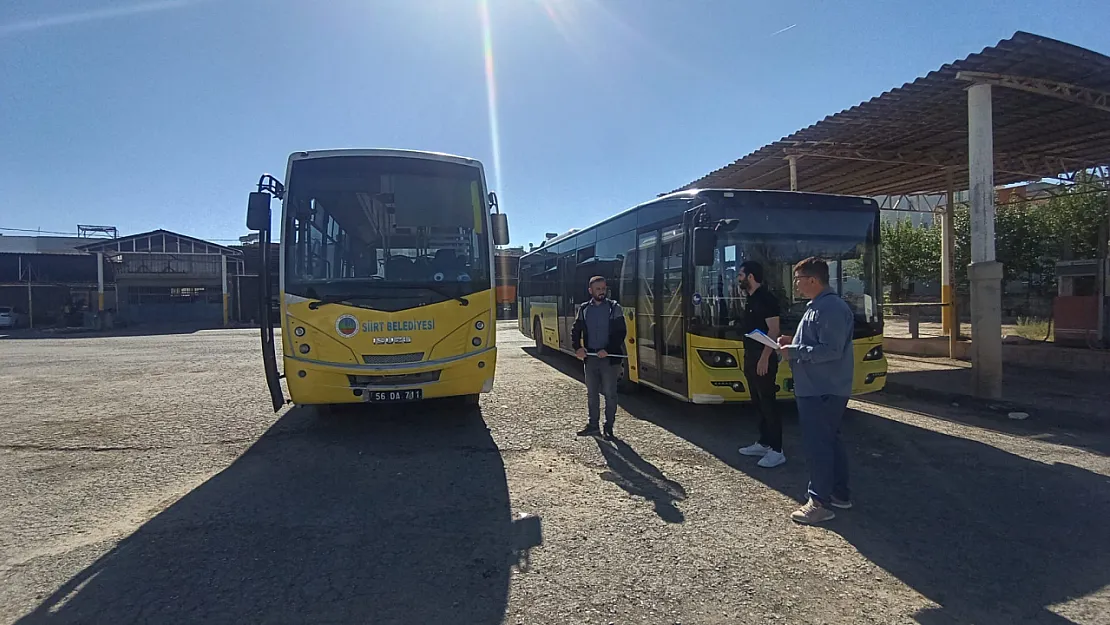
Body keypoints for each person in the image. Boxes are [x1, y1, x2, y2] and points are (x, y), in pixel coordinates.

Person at [776, 257, 856, 525]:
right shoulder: (819, 306)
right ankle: (839, 494)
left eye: (798, 280)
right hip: (819, 387)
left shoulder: (831, 308)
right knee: (830, 440)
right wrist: (792, 342)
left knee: (818, 445)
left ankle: (819, 501)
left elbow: (831, 351)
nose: (796, 286)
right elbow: (817, 342)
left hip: (821, 388)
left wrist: (794, 351)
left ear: (813, 280)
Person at [734, 260, 785, 468]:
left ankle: (777, 450)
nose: (738, 279)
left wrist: (765, 357)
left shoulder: (766, 299)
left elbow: (773, 330)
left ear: (750, 277)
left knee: (768, 402)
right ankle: (764, 442)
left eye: (740, 275)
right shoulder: (750, 298)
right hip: (751, 355)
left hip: (762, 356)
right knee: (757, 401)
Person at [571, 276, 627, 440]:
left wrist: (608, 349)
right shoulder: (584, 309)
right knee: (592, 393)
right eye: (598, 289)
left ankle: (608, 427)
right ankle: (593, 425)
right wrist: (577, 348)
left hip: (609, 359)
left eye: (603, 289)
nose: (602, 292)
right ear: (590, 291)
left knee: (610, 394)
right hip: (591, 358)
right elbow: (575, 330)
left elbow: (621, 332)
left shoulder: (614, 308)